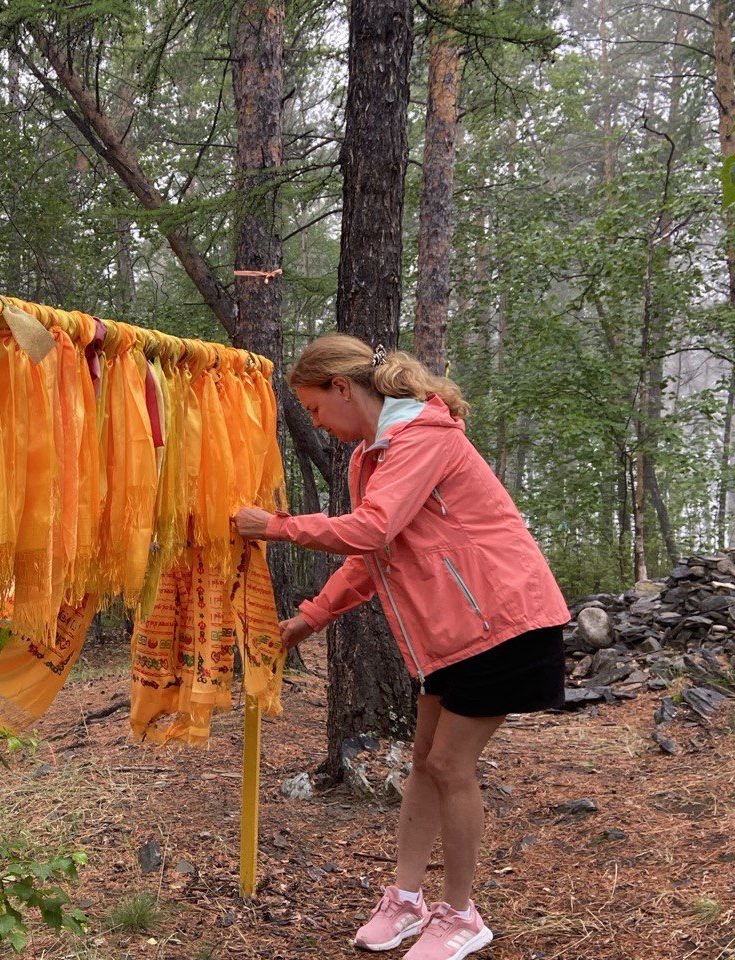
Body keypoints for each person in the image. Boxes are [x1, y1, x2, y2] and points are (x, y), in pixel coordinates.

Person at [234, 333, 569, 960]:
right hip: (449, 633)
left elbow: (372, 527)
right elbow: (376, 552)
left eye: (312, 408)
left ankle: (463, 914)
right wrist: (310, 617)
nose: (316, 423)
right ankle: (408, 899)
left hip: (505, 621)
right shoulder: (376, 453)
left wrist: (275, 527)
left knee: (448, 765)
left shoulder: (422, 436)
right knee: (422, 761)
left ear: (341, 387)